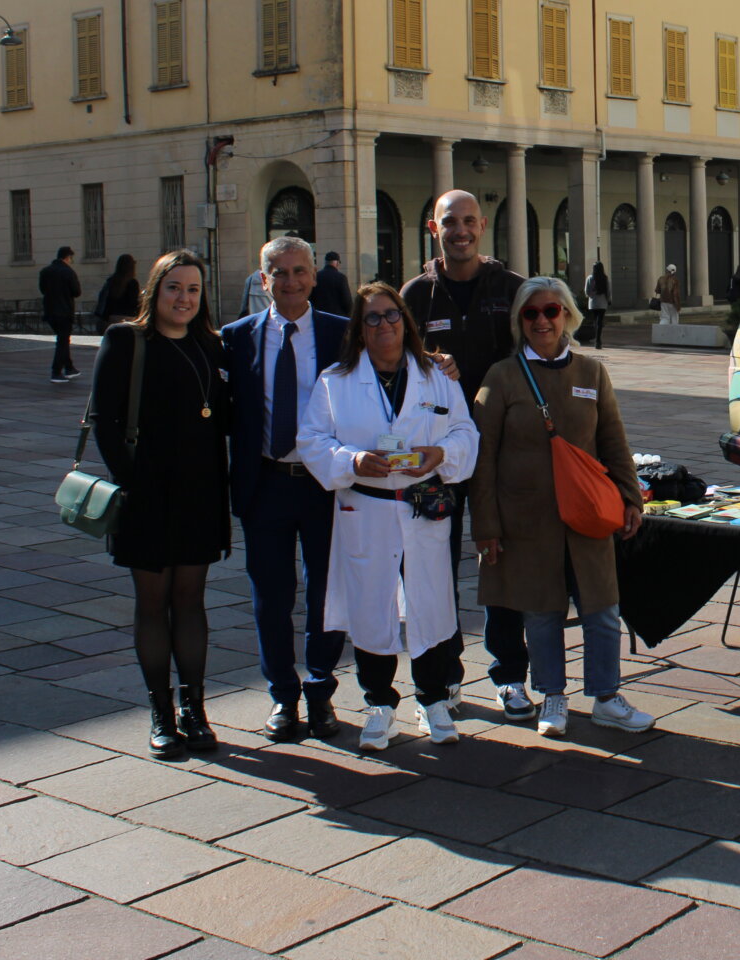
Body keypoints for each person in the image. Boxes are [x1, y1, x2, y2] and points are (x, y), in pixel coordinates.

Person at [471, 277, 653, 738]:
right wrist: (486, 527)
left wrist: (630, 497)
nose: (541, 321)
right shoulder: (502, 376)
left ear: (568, 315)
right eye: (530, 314)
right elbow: (483, 458)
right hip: (528, 522)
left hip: (588, 515)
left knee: (602, 610)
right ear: (519, 321)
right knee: (541, 612)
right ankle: (553, 693)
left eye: (550, 311)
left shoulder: (592, 373)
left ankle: (608, 696)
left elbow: (613, 440)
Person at [299, 283, 478, 748]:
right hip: (367, 509)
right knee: (370, 607)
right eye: (372, 317)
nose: (384, 325)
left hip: (422, 509)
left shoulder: (436, 374)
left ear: (406, 320)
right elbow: (313, 440)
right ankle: (379, 703)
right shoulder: (335, 381)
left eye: (392, 314)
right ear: (359, 328)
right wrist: (352, 461)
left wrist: (440, 453)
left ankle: (434, 699)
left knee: (432, 604)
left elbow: (466, 432)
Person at [91, 250, 232, 760]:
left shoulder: (212, 346)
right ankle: (161, 713)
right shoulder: (126, 341)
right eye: (175, 287)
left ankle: (195, 709)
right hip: (146, 494)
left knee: (191, 602)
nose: (184, 298)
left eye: (194, 290)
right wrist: (132, 483)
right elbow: (106, 423)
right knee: (153, 603)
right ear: (155, 289)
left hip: (200, 493)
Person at [401, 190, 534, 722]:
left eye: (468, 221)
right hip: (440, 455)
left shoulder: (511, 289)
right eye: (448, 223)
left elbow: (537, 355)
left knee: (500, 560)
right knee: (433, 565)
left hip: (500, 451)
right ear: (435, 230)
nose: (460, 231)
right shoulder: (416, 295)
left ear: (482, 226)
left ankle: (507, 675)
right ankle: (446, 676)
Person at [220, 237, 352, 742]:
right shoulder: (237, 337)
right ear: (263, 280)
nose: (291, 281)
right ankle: (282, 695)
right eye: (280, 272)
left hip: (324, 486)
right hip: (267, 484)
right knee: (270, 598)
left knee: (327, 594)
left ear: (315, 277)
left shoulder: (341, 334)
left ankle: (320, 693)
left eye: (300, 271)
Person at [39, 247, 83, 383]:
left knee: (62, 340)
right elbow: (76, 291)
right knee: (62, 341)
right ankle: (56, 371)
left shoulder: (45, 271)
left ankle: (69, 367)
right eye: (71, 259)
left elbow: (42, 289)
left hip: (50, 310)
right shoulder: (68, 272)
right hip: (64, 311)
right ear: (67, 257)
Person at [92, 255, 141, 334]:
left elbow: (104, 300)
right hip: (128, 319)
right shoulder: (132, 283)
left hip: (111, 319)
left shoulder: (111, 281)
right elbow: (133, 303)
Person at [313, 251, 355, 316]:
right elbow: (347, 301)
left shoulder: (317, 276)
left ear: (325, 262)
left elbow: (311, 298)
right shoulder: (341, 278)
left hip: (320, 317)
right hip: (337, 317)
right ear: (337, 263)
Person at [582, 261, 611, 350]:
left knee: (595, 322)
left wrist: (592, 295)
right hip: (602, 303)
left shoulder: (590, 278)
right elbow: (608, 291)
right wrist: (609, 300)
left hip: (593, 303)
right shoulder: (605, 278)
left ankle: (597, 340)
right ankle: (598, 341)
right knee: (600, 322)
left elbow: (586, 291)